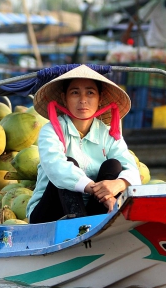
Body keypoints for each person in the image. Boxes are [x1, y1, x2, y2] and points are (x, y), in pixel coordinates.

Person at [27, 65, 141, 224]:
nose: (83, 100)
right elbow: (56, 167)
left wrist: (117, 184)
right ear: (64, 98)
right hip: (49, 214)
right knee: (69, 163)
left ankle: (95, 225)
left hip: (94, 212)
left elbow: (132, 170)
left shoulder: (109, 134)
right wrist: (97, 190)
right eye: (75, 93)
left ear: (99, 99)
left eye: (90, 93)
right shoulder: (51, 130)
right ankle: (80, 226)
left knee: (114, 165)